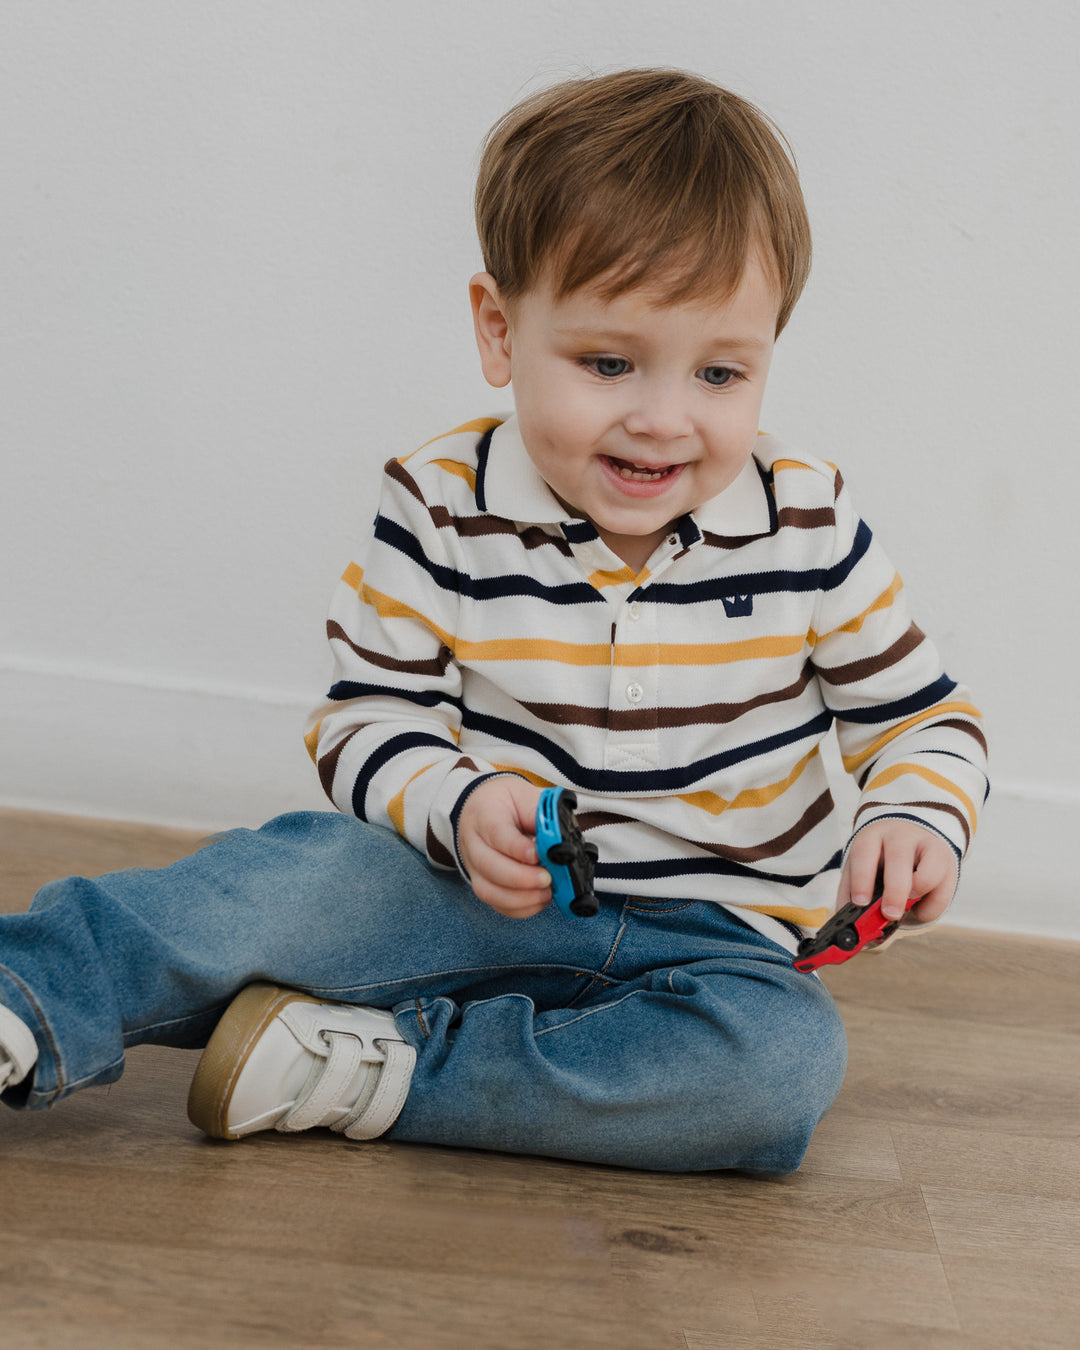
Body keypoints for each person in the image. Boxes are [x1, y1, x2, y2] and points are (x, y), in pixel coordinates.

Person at [0, 69, 988, 1174]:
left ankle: (367, 1067)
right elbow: (367, 719)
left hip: (719, 946)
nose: (663, 419)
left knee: (779, 1073)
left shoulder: (806, 518)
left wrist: (917, 820)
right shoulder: (441, 499)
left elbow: (926, 723)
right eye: (608, 363)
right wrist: (456, 803)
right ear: (499, 329)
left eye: (720, 372)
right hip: (468, 903)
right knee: (297, 880)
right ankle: (31, 991)